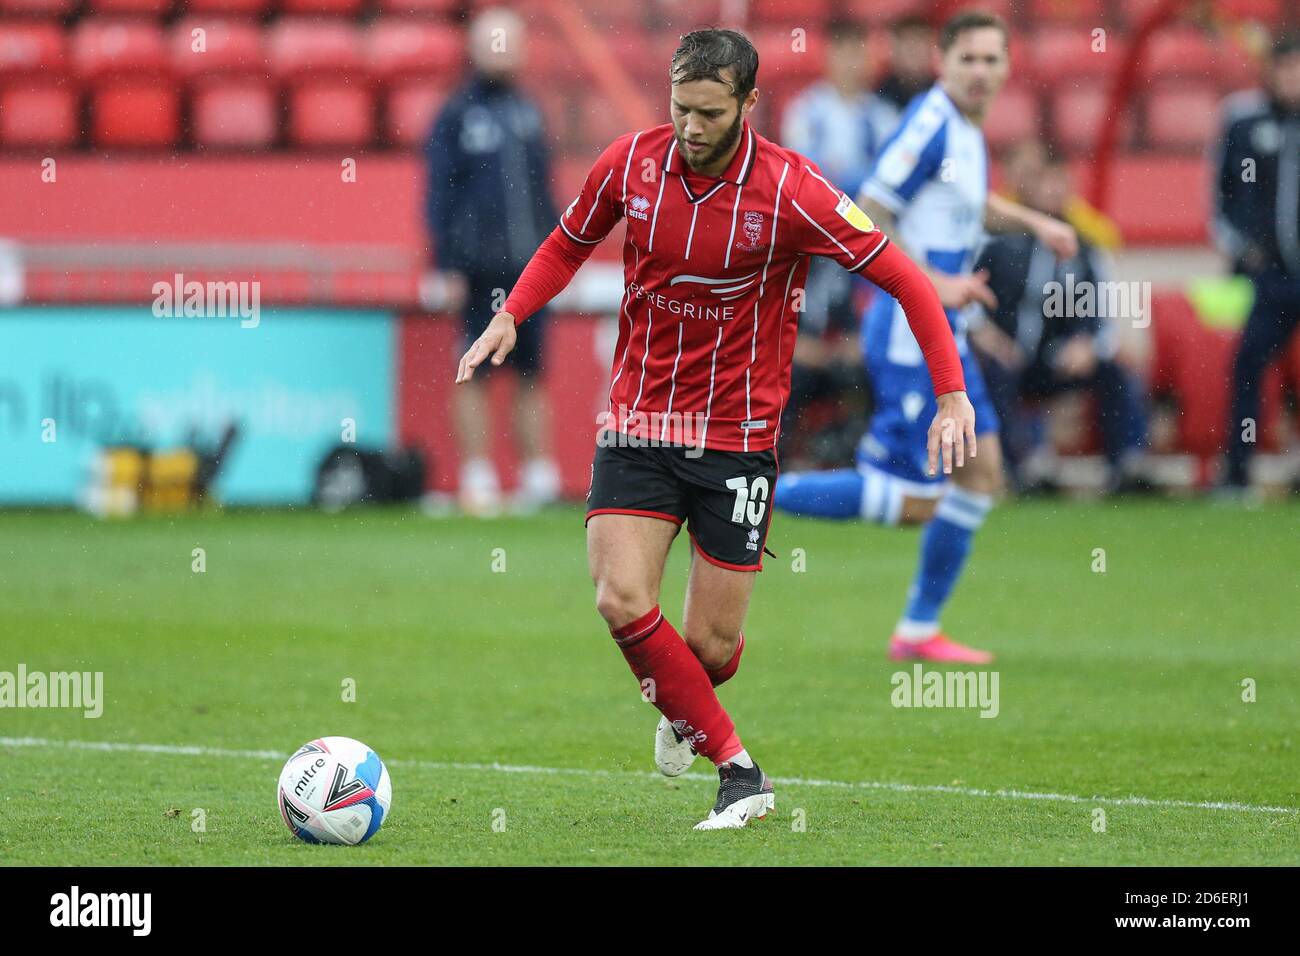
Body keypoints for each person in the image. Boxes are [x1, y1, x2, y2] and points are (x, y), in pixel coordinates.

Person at [455, 29, 975, 829]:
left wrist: (952, 394)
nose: (690, 127)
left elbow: (904, 279)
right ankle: (741, 770)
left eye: (708, 112)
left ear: (747, 105)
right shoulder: (630, 163)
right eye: (680, 107)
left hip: (737, 435)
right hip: (638, 419)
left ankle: (689, 709)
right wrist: (512, 313)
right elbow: (567, 243)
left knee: (710, 653)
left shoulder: (795, 190)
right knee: (620, 597)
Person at [774, 11, 1078, 665]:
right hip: (909, 329)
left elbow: (973, 206)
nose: (980, 71)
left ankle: (917, 630)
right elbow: (870, 211)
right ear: (942, 61)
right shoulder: (930, 123)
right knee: (914, 500)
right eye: (967, 58)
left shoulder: (965, 133)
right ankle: (745, 494)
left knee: (981, 475)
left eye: (991, 59)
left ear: (1006, 67)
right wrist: (933, 281)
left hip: (947, 329)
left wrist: (1034, 223)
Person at [426, 8, 562, 516]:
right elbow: (439, 194)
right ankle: (477, 474)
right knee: (474, 368)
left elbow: (545, 192)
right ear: (474, 48)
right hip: (478, 267)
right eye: (492, 41)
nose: (501, 50)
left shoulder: (529, 113)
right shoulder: (455, 114)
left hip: (529, 268)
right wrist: (445, 264)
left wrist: (558, 257)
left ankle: (537, 476)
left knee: (532, 370)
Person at [969, 157, 1151, 494]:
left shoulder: (1085, 249)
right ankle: (1017, 468)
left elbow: (1103, 310)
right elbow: (969, 295)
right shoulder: (999, 243)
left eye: (1060, 186)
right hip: (1010, 356)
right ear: (1030, 192)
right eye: (1046, 185)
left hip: (1059, 359)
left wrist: (1090, 345)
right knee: (992, 374)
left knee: (1115, 371)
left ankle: (1126, 463)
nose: (1053, 193)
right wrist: (989, 338)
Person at [779, 17, 899, 466]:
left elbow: (887, 197)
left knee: (862, 362)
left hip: (864, 256)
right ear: (828, 58)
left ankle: (863, 455)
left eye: (859, 52)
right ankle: (781, 459)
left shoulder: (885, 119)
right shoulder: (805, 114)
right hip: (818, 250)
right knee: (796, 364)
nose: (852, 63)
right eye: (843, 52)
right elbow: (809, 188)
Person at [1214, 33, 1300, 494]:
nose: (1292, 80)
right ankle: (1237, 475)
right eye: (1285, 70)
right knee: (1249, 364)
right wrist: (1242, 247)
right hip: (1270, 277)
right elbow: (1221, 192)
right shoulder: (1243, 120)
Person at [875, 15, 935, 115]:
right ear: (894, 48)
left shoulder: (942, 94)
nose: (913, 50)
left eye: (919, 42)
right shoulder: (878, 96)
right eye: (908, 43)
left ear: (930, 47)